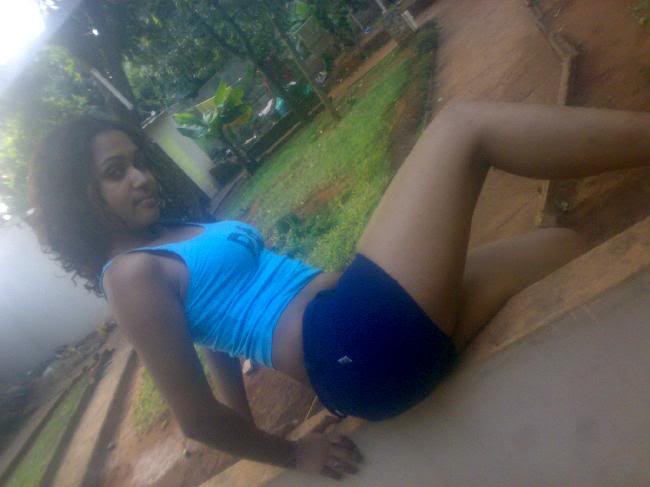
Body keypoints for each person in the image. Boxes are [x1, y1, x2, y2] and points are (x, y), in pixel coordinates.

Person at [29, 101, 650, 480]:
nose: (140, 177)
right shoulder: (129, 276)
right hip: (352, 341)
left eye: (137, 161)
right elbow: (196, 420)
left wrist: (260, 412)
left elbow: (210, 333)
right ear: (80, 200)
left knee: (558, 246)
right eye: (116, 173)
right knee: (461, 128)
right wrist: (290, 456)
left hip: (358, 350)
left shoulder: (166, 239)